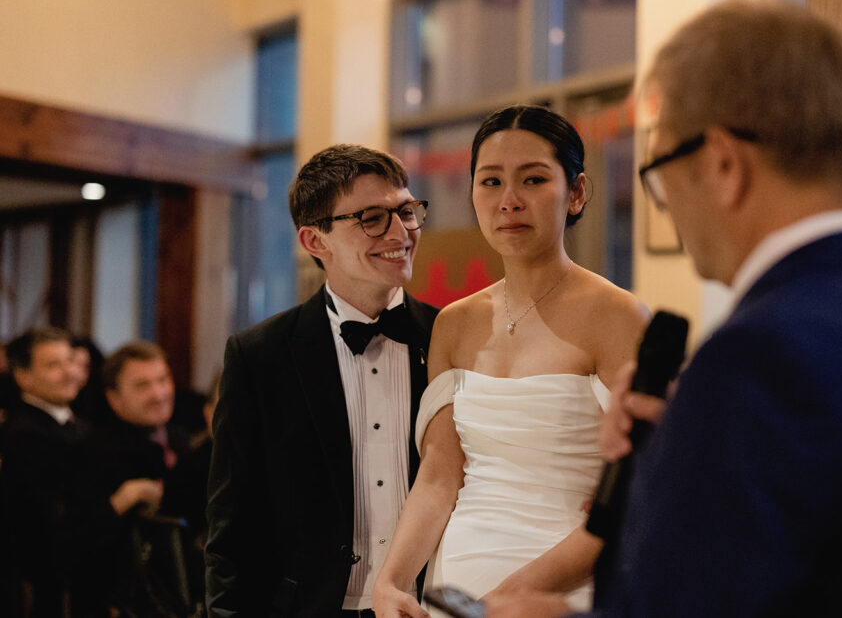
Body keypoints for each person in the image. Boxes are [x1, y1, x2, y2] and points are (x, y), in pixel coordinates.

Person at [492, 0, 842, 618]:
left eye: (662, 168)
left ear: (723, 164)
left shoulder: (758, 362)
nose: (666, 202)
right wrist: (666, 461)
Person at [372, 105, 649, 617]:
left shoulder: (618, 315)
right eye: (491, 181)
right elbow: (439, 474)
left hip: (562, 587)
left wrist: (508, 599)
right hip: (457, 580)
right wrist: (391, 580)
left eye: (534, 179)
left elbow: (638, 492)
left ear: (578, 192)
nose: (509, 201)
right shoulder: (454, 323)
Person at [205, 144, 439, 617]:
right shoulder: (259, 355)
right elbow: (233, 529)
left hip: (430, 606)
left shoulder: (450, 337)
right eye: (372, 217)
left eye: (406, 211)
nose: (401, 231)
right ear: (315, 241)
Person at [82, 340, 201, 615]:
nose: (159, 393)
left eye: (162, 379)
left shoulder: (182, 439)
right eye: (142, 385)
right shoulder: (93, 451)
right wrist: (122, 500)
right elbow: (76, 545)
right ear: (113, 398)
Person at [0, 327, 92, 617]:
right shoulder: (24, 434)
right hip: (43, 577)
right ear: (23, 376)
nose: (69, 372)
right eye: (54, 365)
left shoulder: (77, 425)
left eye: (70, 361)